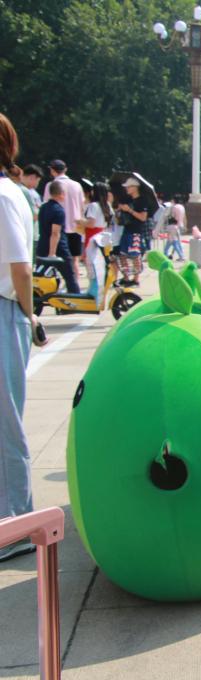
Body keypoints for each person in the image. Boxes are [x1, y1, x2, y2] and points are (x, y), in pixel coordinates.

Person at [0, 113, 46, 561]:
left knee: (4, 422)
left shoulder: (4, 195)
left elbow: (20, 267)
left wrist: (29, 316)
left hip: (4, 308)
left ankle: (13, 523)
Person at [42, 160, 85, 290]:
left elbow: (47, 204)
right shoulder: (77, 185)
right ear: (65, 169)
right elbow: (82, 205)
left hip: (59, 227)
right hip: (75, 226)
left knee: (54, 260)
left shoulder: (51, 185)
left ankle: (53, 287)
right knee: (74, 260)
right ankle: (74, 286)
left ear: (52, 170)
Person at [36, 181, 80, 293]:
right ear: (61, 194)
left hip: (42, 245)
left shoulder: (43, 207)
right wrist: (52, 253)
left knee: (40, 277)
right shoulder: (58, 210)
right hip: (58, 248)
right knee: (70, 277)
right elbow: (55, 233)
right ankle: (75, 298)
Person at [81, 182, 114, 298]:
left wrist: (79, 221)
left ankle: (93, 291)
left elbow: (91, 223)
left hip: (92, 236)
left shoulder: (93, 205)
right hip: (103, 236)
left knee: (91, 265)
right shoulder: (107, 205)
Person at [115, 177, 148, 286]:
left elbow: (143, 217)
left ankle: (136, 279)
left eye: (129, 187)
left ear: (135, 187)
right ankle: (126, 277)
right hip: (126, 229)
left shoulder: (142, 200)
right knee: (122, 254)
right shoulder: (127, 199)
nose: (127, 189)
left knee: (135, 255)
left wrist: (129, 210)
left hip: (136, 231)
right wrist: (120, 210)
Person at [163, 194, 186, 261]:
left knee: (174, 242)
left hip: (174, 226)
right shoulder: (182, 207)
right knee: (177, 242)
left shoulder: (174, 207)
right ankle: (179, 255)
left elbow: (172, 216)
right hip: (180, 225)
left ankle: (181, 256)